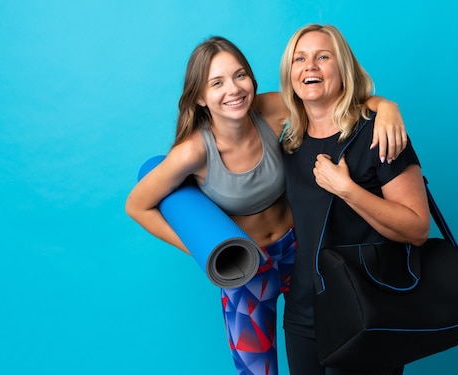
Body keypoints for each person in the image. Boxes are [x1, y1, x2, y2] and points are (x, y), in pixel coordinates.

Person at [125, 36, 406, 375]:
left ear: (252, 80)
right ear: (200, 97)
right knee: (256, 371)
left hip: (301, 252)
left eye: (239, 75)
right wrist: (203, 249)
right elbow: (137, 206)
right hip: (247, 268)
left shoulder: (271, 110)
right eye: (217, 83)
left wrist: (386, 107)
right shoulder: (192, 152)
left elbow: (335, 101)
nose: (233, 89)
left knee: (335, 352)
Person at [279, 24, 431, 375]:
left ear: (343, 67)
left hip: (370, 312)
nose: (310, 66)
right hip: (305, 314)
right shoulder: (289, 145)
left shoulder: (379, 133)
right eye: (299, 59)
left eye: (322, 57)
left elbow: (418, 228)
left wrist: (347, 189)